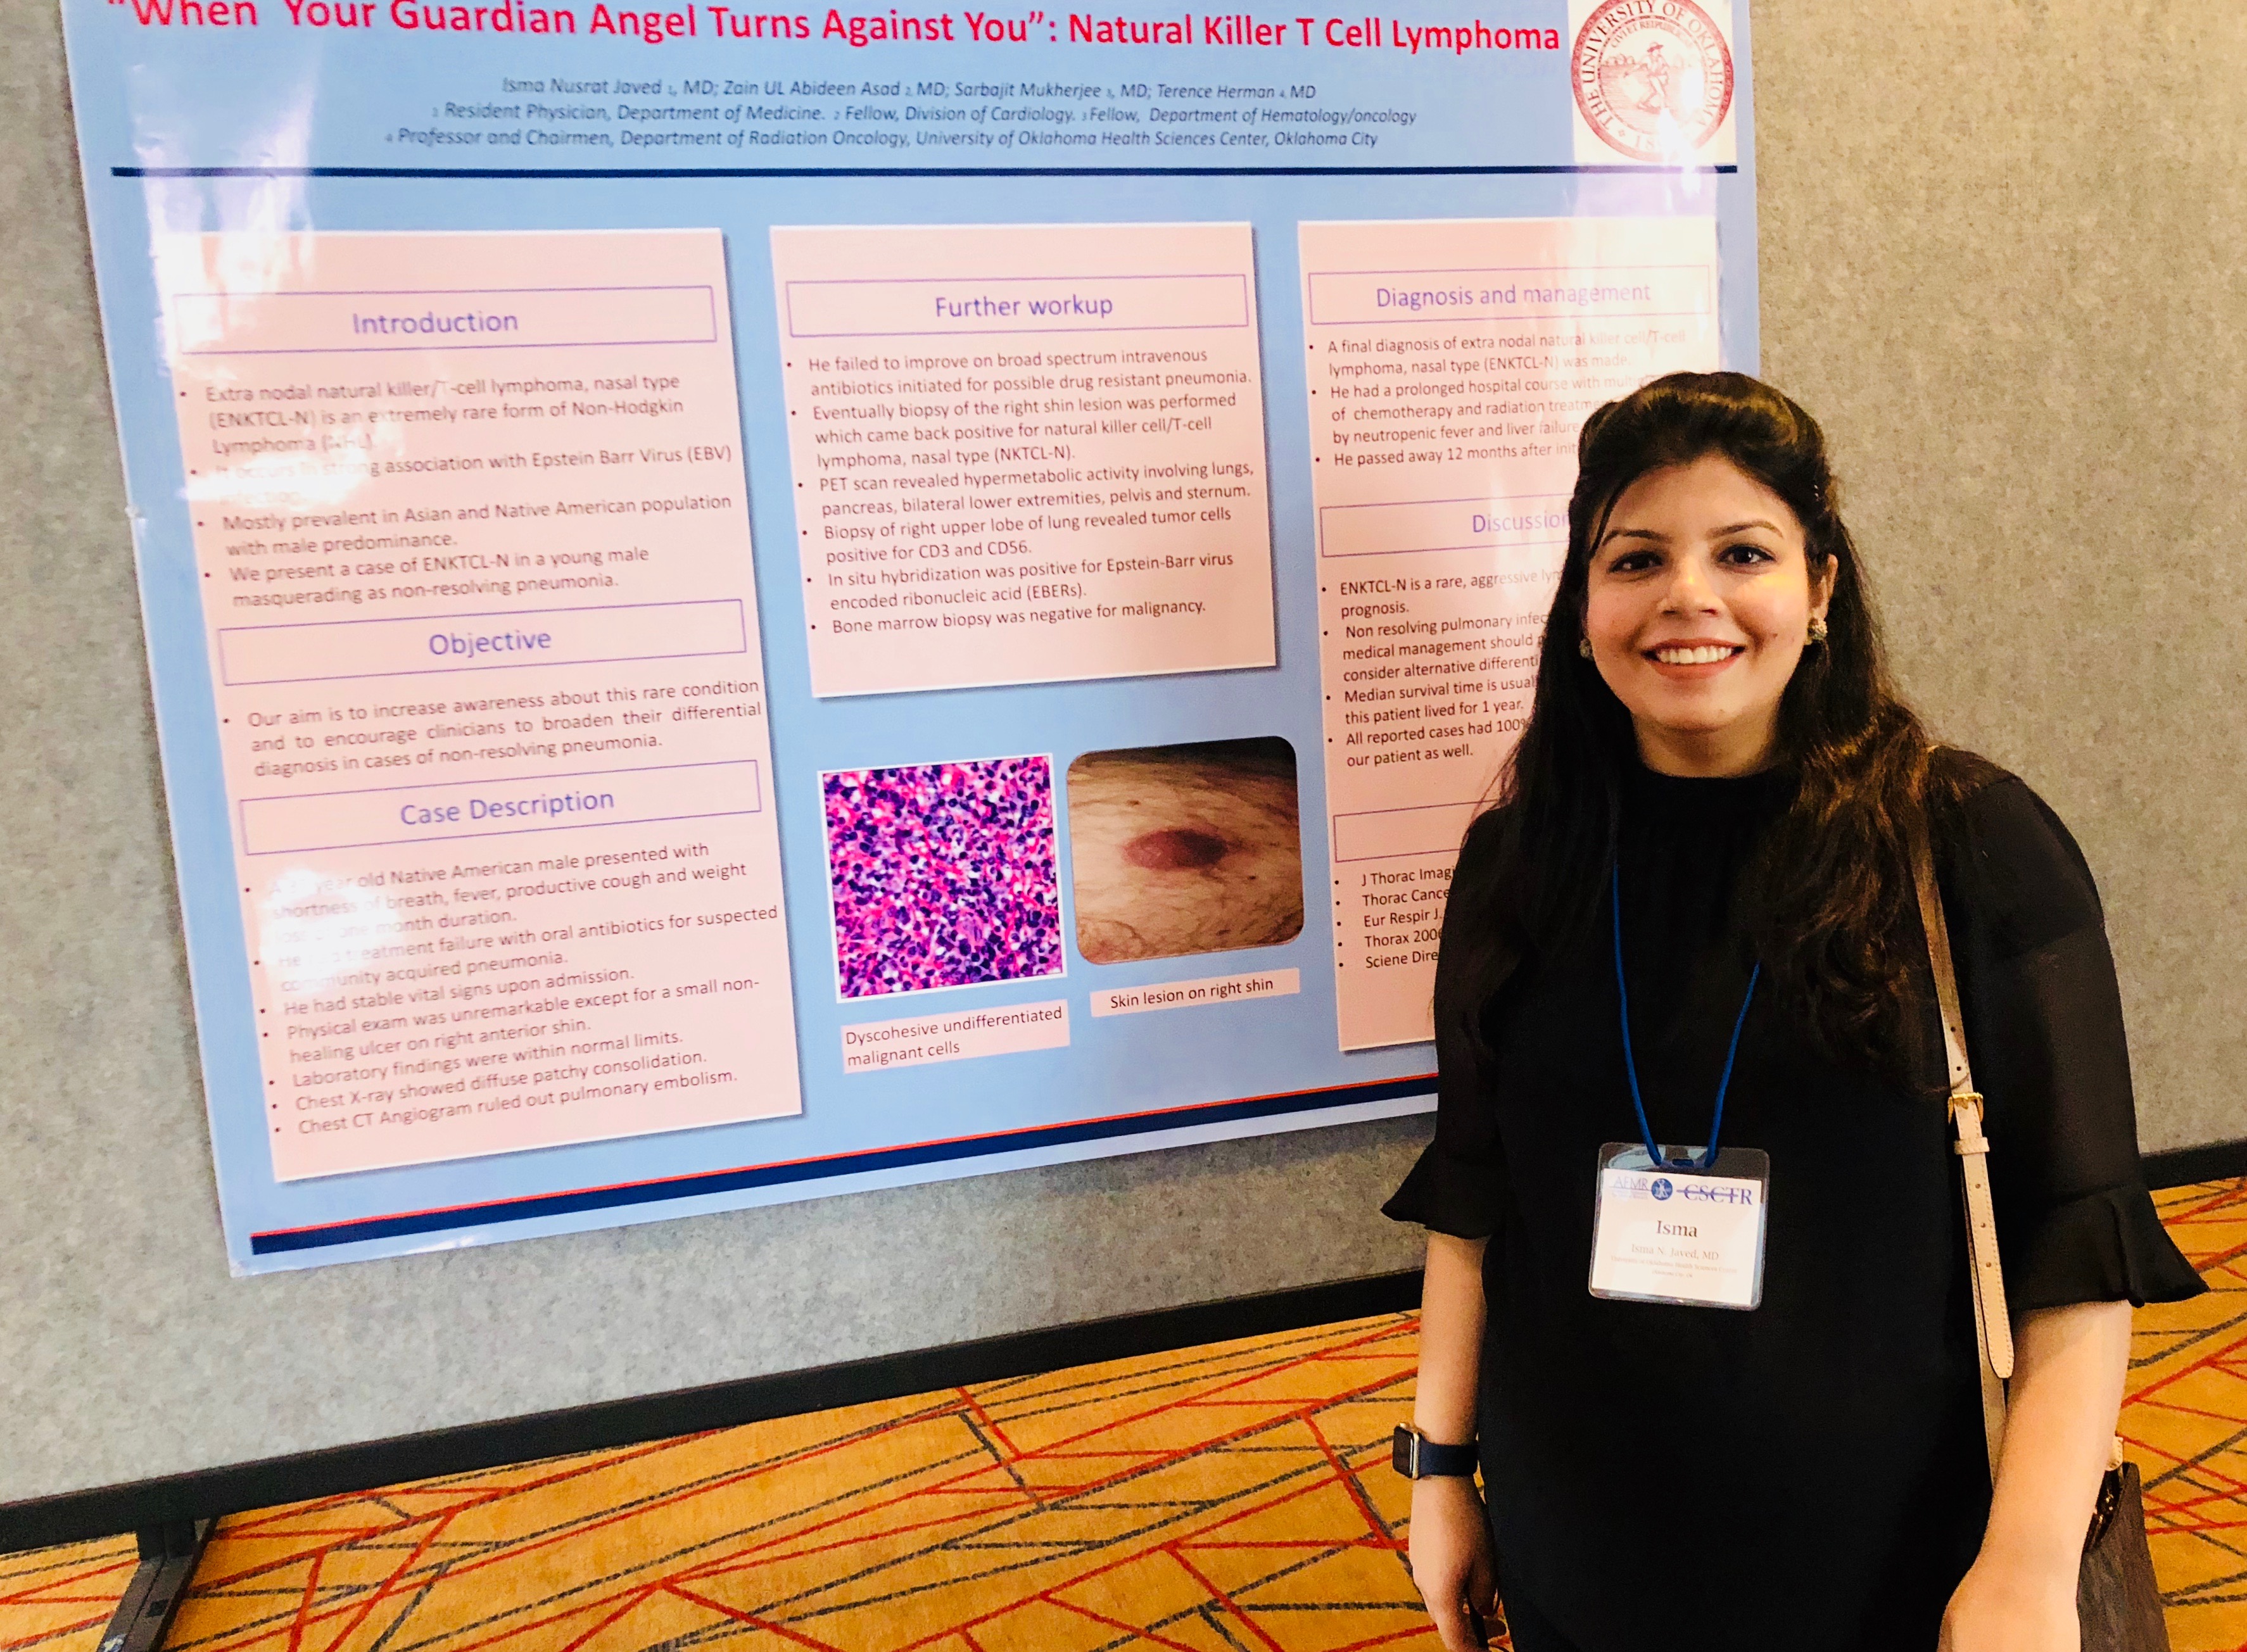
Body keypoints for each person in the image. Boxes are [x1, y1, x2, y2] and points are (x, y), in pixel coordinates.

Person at [1385, 372, 2203, 1652]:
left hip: (1891, 1553)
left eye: (1742, 553)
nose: (1687, 596)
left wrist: (2029, 1562)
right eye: (1636, 558)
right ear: (1583, 607)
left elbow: (2076, 1234)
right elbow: (1475, 1193)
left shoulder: (1967, 844)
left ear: (1820, 588)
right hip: (1581, 1534)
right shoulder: (1519, 864)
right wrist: (1439, 1470)